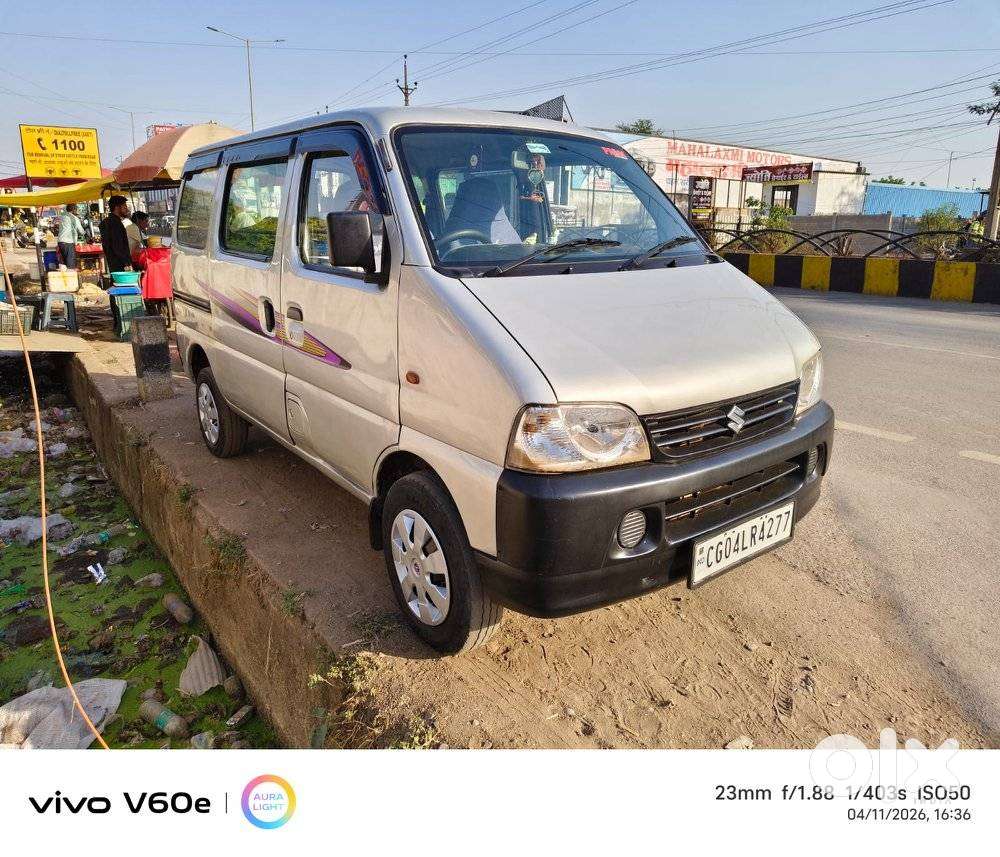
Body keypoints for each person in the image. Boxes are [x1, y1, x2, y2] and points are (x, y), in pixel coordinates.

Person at [134, 235, 172, 316]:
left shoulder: (146, 252)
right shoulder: (168, 251)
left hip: (152, 282)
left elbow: (141, 262)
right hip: (167, 280)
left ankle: (149, 305)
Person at [100, 195, 132, 273]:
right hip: (119, 264)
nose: (126, 209)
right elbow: (117, 246)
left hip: (113, 263)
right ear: (117, 207)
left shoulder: (109, 221)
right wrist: (126, 263)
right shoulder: (114, 223)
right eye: (124, 206)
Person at [56, 203, 86, 269]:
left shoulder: (62, 217)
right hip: (68, 242)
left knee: (64, 263)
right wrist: (85, 232)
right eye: (76, 209)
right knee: (70, 264)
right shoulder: (74, 218)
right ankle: (70, 274)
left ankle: (66, 274)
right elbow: (81, 231)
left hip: (60, 242)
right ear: (74, 210)